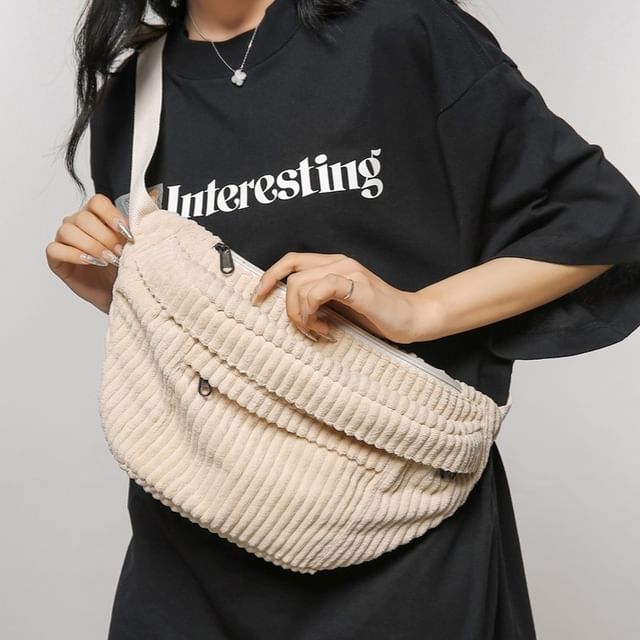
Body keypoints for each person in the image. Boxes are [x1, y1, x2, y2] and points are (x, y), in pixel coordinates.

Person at [46, 0, 640, 637]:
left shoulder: (400, 31)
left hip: (404, 543)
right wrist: (114, 289)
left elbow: (600, 220)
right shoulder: (133, 98)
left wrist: (417, 311)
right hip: (188, 557)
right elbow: (204, 331)